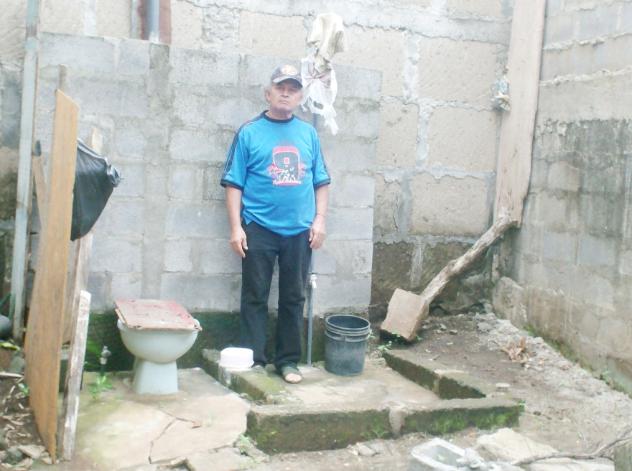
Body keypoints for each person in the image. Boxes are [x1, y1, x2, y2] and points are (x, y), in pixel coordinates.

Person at [220, 64, 331, 384]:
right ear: (268, 93)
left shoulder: (308, 134)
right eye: (280, 88)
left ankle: (287, 361)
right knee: (255, 295)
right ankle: (254, 359)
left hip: (299, 230)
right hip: (258, 227)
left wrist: (320, 220)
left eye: (292, 89)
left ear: (300, 97)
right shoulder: (249, 132)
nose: (286, 93)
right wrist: (236, 228)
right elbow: (234, 184)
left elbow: (321, 181)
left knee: (294, 297)